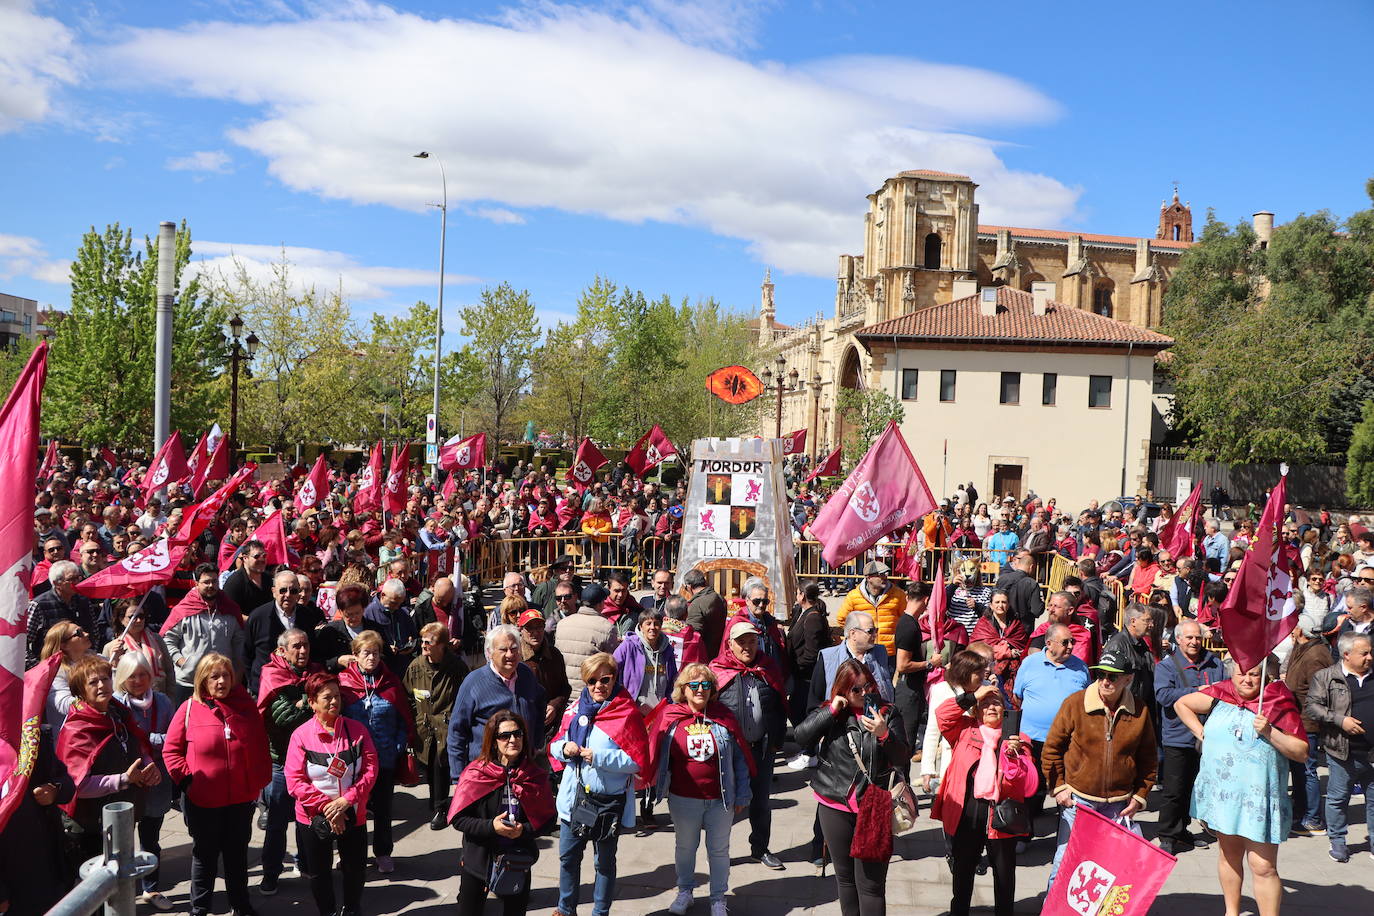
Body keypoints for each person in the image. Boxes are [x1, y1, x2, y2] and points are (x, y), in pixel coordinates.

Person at [1174, 655, 1309, 916]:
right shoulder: (1220, 694)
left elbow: (1301, 752)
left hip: (1259, 800)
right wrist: (1201, 734)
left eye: (1254, 674)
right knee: (1228, 857)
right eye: (1241, 673)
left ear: (1265, 676)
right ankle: (1231, 912)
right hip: (1224, 798)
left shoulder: (1277, 701)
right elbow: (1182, 704)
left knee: (1263, 866)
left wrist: (1270, 732)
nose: (1246, 679)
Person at [794, 658, 909, 916]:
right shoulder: (834, 714)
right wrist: (831, 711)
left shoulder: (888, 713)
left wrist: (884, 735)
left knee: (871, 886)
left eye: (867, 685)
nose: (864, 693)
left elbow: (902, 757)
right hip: (834, 805)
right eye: (856, 689)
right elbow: (801, 736)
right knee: (845, 879)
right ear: (843, 690)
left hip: (874, 807)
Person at [162, 653, 272, 916]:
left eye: (226, 675)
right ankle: (199, 908)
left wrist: (255, 786)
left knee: (237, 857)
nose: (221, 681)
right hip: (203, 800)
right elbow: (171, 751)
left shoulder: (246, 707)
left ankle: (241, 905)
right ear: (203, 680)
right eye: (215, 676)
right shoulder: (189, 708)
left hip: (240, 800)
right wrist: (189, 781)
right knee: (205, 857)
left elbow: (258, 747)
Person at [1040, 647, 1157, 889]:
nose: (1105, 681)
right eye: (1101, 674)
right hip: (1079, 801)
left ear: (1128, 679)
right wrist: (1059, 787)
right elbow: (1051, 749)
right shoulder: (1074, 703)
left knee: (1109, 869)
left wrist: (1140, 796)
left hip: (1119, 804)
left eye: (1112, 676)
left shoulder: (1140, 709)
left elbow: (1148, 758)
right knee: (1066, 863)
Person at [647, 664, 755, 916]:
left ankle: (718, 898)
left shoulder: (724, 716)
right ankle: (685, 891)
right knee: (685, 847)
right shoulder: (671, 717)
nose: (700, 690)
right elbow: (653, 752)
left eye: (706, 685)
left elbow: (739, 758)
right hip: (684, 799)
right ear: (682, 689)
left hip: (720, 799)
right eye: (693, 685)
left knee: (719, 851)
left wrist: (742, 794)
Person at [549, 653, 650, 916]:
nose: (598, 686)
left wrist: (600, 757)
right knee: (568, 859)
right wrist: (564, 748)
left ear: (614, 678)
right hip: (575, 800)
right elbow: (554, 746)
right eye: (591, 680)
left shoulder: (627, 712)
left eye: (605, 679)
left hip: (607, 803)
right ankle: (565, 908)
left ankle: (600, 912)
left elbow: (637, 760)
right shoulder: (574, 710)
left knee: (604, 863)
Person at [934, 684, 1038, 916]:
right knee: (963, 870)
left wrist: (1015, 756)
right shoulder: (964, 730)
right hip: (967, 811)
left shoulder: (1018, 737)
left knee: (1004, 872)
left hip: (1002, 814)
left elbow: (1028, 783)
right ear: (977, 709)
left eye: (997, 702)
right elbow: (942, 714)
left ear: (1005, 709)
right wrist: (972, 695)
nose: (991, 707)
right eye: (985, 703)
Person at [285, 672, 379, 916]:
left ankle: (351, 909)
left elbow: (370, 771)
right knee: (319, 871)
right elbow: (295, 781)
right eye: (327, 697)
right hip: (313, 817)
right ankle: (327, 911)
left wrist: (346, 801)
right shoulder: (301, 736)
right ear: (312, 702)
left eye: (337, 696)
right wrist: (330, 807)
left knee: (355, 868)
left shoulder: (357, 731)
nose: (334, 701)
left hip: (353, 813)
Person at [449, 709, 557, 916]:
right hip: (478, 863)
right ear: (493, 740)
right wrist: (491, 827)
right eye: (504, 736)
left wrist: (523, 830)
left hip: (517, 861)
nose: (512, 740)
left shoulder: (534, 775)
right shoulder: (476, 773)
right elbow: (459, 819)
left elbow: (548, 820)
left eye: (518, 734)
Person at [55, 655, 161, 861]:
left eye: (105, 678)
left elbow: (136, 744)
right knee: (97, 887)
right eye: (93, 682)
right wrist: (124, 780)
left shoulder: (118, 714)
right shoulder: (76, 729)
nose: (102, 685)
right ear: (80, 690)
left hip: (120, 816)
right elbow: (78, 786)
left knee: (121, 880)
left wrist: (148, 765)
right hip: (89, 827)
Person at [711, 621, 787, 870]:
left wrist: (776, 740)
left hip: (761, 749)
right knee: (725, 806)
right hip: (730, 753)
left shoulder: (768, 668)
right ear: (730, 644)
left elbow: (778, 706)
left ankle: (760, 848)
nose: (747, 647)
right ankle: (720, 853)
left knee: (761, 803)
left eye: (752, 641)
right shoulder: (718, 671)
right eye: (741, 642)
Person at [339, 629, 416, 874]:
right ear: (355, 655)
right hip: (354, 760)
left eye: (375, 653)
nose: (371, 658)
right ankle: (350, 854)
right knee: (352, 810)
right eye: (366, 653)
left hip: (383, 757)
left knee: (383, 809)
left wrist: (397, 745)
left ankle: (383, 852)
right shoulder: (344, 683)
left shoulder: (391, 682)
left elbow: (403, 718)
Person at [255, 628, 320, 893]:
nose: (302, 651)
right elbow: (285, 718)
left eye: (305, 645)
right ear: (283, 650)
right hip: (280, 762)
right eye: (296, 646)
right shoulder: (273, 674)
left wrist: (300, 702)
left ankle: (305, 863)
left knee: (307, 817)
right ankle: (270, 874)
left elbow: (328, 706)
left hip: (309, 759)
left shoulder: (314, 671)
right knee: (277, 822)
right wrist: (311, 701)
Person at [1152, 618, 1225, 854]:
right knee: (1174, 789)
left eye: (1197, 637)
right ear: (1179, 639)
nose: (1194, 642)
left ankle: (1183, 831)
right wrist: (1196, 693)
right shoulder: (1166, 666)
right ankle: (1167, 835)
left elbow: (1225, 690)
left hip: (1209, 735)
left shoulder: (1214, 662)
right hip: (1178, 736)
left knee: (1194, 787)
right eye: (1189, 638)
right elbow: (1163, 696)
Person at [111, 652, 175, 911]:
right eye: (132, 676)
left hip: (157, 780)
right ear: (123, 679)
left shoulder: (162, 701)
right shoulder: (115, 704)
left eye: (142, 675)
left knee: (151, 839)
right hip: (126, 780)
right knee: (120, 840)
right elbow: (121, 744)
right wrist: (151, 741)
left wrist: (148, 739)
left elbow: (172, 739)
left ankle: (152, 888)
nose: (138, 681)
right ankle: (119, 890)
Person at [1011, 623, 1089, 833]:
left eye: (1072, 641)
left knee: (1064, 789)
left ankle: (1066, 837)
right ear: (1049, 643)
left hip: (1067, 742)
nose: (1071, 646)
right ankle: (1023, 834)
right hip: (1032, 740)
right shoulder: (1030, 663)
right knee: (1029, 790)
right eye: (1066, 642)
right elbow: (1017, 696)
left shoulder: (1080, 667)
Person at [1304, 632, 1373, 863]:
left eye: (1371, 652)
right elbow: (1312, 706)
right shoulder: (1327, 677)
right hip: (1342, 751)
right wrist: (1339, 719)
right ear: (1346, 654)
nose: (1370, 657)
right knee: (1338, 798)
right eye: (1364, 653)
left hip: (1372, 755)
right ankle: (1338, 843)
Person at [448, 625, 548, 773]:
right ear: (489, 653)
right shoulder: (474, 682)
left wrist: (536, 741)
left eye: (514, 649)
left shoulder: (526, 674)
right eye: (503, 649)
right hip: (486, 771)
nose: (510, 655)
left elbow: (540, 704)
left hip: (522, 769)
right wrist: (458, 776)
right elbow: (457, 732)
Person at [404, 621, 469, 829]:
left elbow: (466, 697)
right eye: (422, 640)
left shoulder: (457, 668)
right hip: (424, 727)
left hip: (447, 727)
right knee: (429, 766)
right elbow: (407, 695)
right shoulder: (416, 666)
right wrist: (415, 717)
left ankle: (442, 808)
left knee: (441, 766)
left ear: (442, 645)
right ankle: (436, 804)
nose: (423, 645)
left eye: (428, 642)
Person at [162, 563, 245, 705]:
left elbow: (239, 643)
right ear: (196, 583)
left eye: (214, 581)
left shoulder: (230, 610)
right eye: (206, 582)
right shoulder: (184, 610)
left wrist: (236, 672)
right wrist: (181, 661)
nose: (211, 585)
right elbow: (167, 639)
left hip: (220, 683)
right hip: (188, 682)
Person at [1283, 621, 1332, 836]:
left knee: (1308, 770)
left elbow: (1320, 692)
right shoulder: (1302, 648)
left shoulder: (1316, 655)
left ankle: (1313, 818)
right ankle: (1300, 811)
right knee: (1299, 771)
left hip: (1308, 722)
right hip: (1297, 720)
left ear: (1300, 630)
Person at [245, 569, 324, 695]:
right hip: (265, 689)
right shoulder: (258, 617)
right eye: (283, 590)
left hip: (299, 690)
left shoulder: (308, 616)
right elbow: (246, 654)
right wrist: (252, 683)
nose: (288, 595)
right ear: (273, 591)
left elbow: (313, 651)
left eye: (293, 591)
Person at [26, 560, 96, 668]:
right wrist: (39, 667)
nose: (77, 582)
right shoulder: (39, 605)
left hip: (83, 666)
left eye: (79, 577)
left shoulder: (84, 601)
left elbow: (94, 632)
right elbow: (23, 642)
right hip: (51, 668)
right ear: (57, 583)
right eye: (72, 579)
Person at [555, 582, 619, 695]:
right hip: (589, 693)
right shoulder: (607, 628)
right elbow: (612, 664)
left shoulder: (562, 624)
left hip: (563, 691)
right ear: (600, 604)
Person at [103, 598, 175, 696]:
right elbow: (108, 681)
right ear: (121, 619)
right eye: (132, 617)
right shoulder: (111, 648)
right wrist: (115, 663)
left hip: (159, 699)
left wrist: (171, 699)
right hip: (129, 702)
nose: (138, 620)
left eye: (141, 616)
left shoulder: (157, 639)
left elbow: (169, 671)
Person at [787, 580, 832, 728]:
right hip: (799, 674)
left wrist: (796, 667)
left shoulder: (813, 618)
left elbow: (812, 653)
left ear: (802, 595)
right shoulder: (801, 612)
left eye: (798, 592)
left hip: (807, 677)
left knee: (800, 712)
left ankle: (809, 746)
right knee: (794, 711)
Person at [837, 560, 903, 654]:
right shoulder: (854, 596)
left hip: (890, 650)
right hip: (864, 651)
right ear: (868, 577)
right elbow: (842, 619)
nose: (884, 577)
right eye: (880, 575)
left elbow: (904, 619)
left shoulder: (898, 594)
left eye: (885, 574)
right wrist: (858, 636)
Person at [971, 590, 1029, 690]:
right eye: (997, 602)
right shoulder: (983, 624)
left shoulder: (1016, 623)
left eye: (1004, 602)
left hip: (1013, 673)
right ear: (991, 605)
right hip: (987, 671)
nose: (1000, 605)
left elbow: (1022, 646)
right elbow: (976, 648)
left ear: (1008, 604)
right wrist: (1006, 651)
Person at [1102, 603, 1156, 708]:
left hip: (1141, 707)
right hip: (1125, 709)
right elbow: (1108, 683)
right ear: (1133, 621)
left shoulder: (1142, 644)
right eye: (1147, 620)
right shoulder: (1117, 645)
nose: (1151, 625)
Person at [364, 578, 420, 678]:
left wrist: (411, 646)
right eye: (393, 603)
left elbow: (415, 636)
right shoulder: (369, 613)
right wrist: (385, 649)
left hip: (402, 667)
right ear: (383, 595)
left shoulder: (402, 613)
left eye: (400, 603)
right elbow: (364, 644)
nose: (397, 607)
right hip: (381, 670)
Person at [993, 550, 1044, 633]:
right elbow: (1036, 611)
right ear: (1031, 567)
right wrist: (1042, 604)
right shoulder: (1032, 583)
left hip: (1002, 626)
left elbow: (993, 600)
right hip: (1023, 629)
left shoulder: (1002, 579)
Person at [222, 539, 272, 619]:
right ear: (245, 558)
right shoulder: (234, 582)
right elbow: (229, 612)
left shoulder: (268, 578)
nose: (261, 559)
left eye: (264, 556)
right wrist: (254, 622)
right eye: (257, 556)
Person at [684, 568, 728, 656]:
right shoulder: (720, 598)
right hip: (718, 652)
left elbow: (694, 635)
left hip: (702, 655)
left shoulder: (696, 604)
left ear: (689, 587)